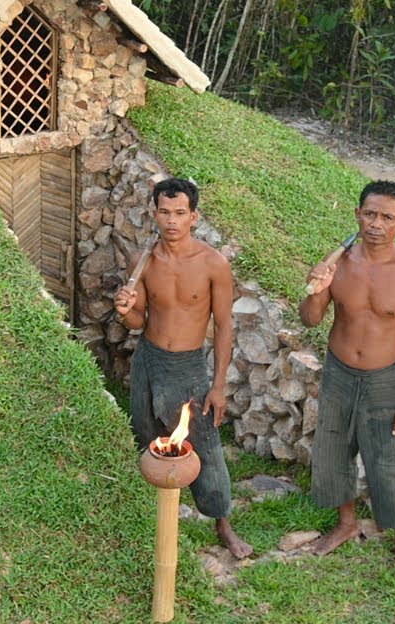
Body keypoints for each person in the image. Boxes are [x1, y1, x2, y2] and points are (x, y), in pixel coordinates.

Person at [299, 180, 395, 567]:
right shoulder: (339, 264)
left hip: (384, 379)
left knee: (394, 457)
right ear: (357, 215)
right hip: (339, 372)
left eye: (387, 217)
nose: (376, 223)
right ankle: (346, 523)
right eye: (370, 214)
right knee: (333, 448)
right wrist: (317, 289)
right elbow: (310, 320)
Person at [114, 177, 253, 558]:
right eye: (164, 212)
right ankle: (155, 514)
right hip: (149, 359)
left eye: (179, 213)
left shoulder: (213, 264)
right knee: (145, 435)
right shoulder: (143, 262)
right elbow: (138, 321)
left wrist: (219, 384)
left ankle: (223, 523)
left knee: (205, 446)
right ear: (154, 213)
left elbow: (224, 326)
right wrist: (124, 310)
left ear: (194, 216)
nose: (171, 221)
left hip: (188, 366)